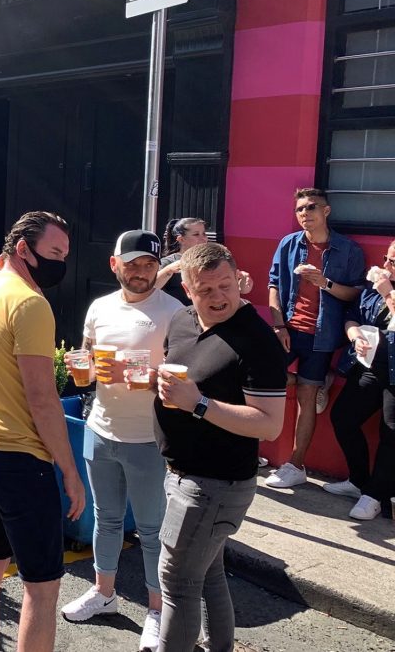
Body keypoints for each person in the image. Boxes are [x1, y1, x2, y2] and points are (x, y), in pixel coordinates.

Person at [153, 242, 286, 651]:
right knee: (207, 574)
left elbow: (269, 425)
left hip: (214, 484)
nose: (218, 297)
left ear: (238, 281)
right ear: (187, 289)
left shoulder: (258, 341)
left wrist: (199, 404)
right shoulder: (181, 321)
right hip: (181, 472)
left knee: (176, 581)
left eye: (225, 286)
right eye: (205, 289)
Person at [0, 210, 84, 652]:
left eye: (65, 254)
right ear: (23, 249)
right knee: (42, 587)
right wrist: (70, 470)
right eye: (54, 253)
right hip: (18, 460)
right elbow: (42, 398)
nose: (60, 263)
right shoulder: (31, 304)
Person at [59, 230, 181, 651]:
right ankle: (104, 592)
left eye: (149, 264)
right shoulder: (99, 307)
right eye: (132, 264)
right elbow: (88, 357)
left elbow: (185, 377)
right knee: (105, 519)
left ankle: (156, 609)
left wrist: (146, 379)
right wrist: (82, 369)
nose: (141, 272)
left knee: (151, 530)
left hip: (148, 438)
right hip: (100, 428)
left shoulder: (174, 311)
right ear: (115, 265)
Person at [266, 188, 365, 489]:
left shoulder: (348, 250)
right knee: (261, 379)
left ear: (327, 211)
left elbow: (357, 294)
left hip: (321, 337)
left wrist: (324, 282)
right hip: (287, 331)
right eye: (299, 210)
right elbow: (273, 285)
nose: (304, 215)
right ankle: (321, 380)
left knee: (306, 399)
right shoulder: (288, 244)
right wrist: (278, 325)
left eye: (311, 208)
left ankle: (296, 465)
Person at [324, 240, 395, 520]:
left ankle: (375, 495)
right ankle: (359, 481)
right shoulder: (374, 285)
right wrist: (355, 336)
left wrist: (389, 292)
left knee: (391, 432)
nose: (386, 266)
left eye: (393, 261)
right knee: (343, 417)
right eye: (387, 259)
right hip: (370, 365)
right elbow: (352, 315)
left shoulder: (384, 287)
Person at [157, 218, 253, 305]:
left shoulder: (214, 258)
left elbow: (241, 289)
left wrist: (241, 284)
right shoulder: (169, 262)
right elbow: (151, 288)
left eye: (204, 233)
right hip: (180, 316)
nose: (203, 238)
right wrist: (168, 270)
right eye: (196, 234)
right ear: (181, 239)